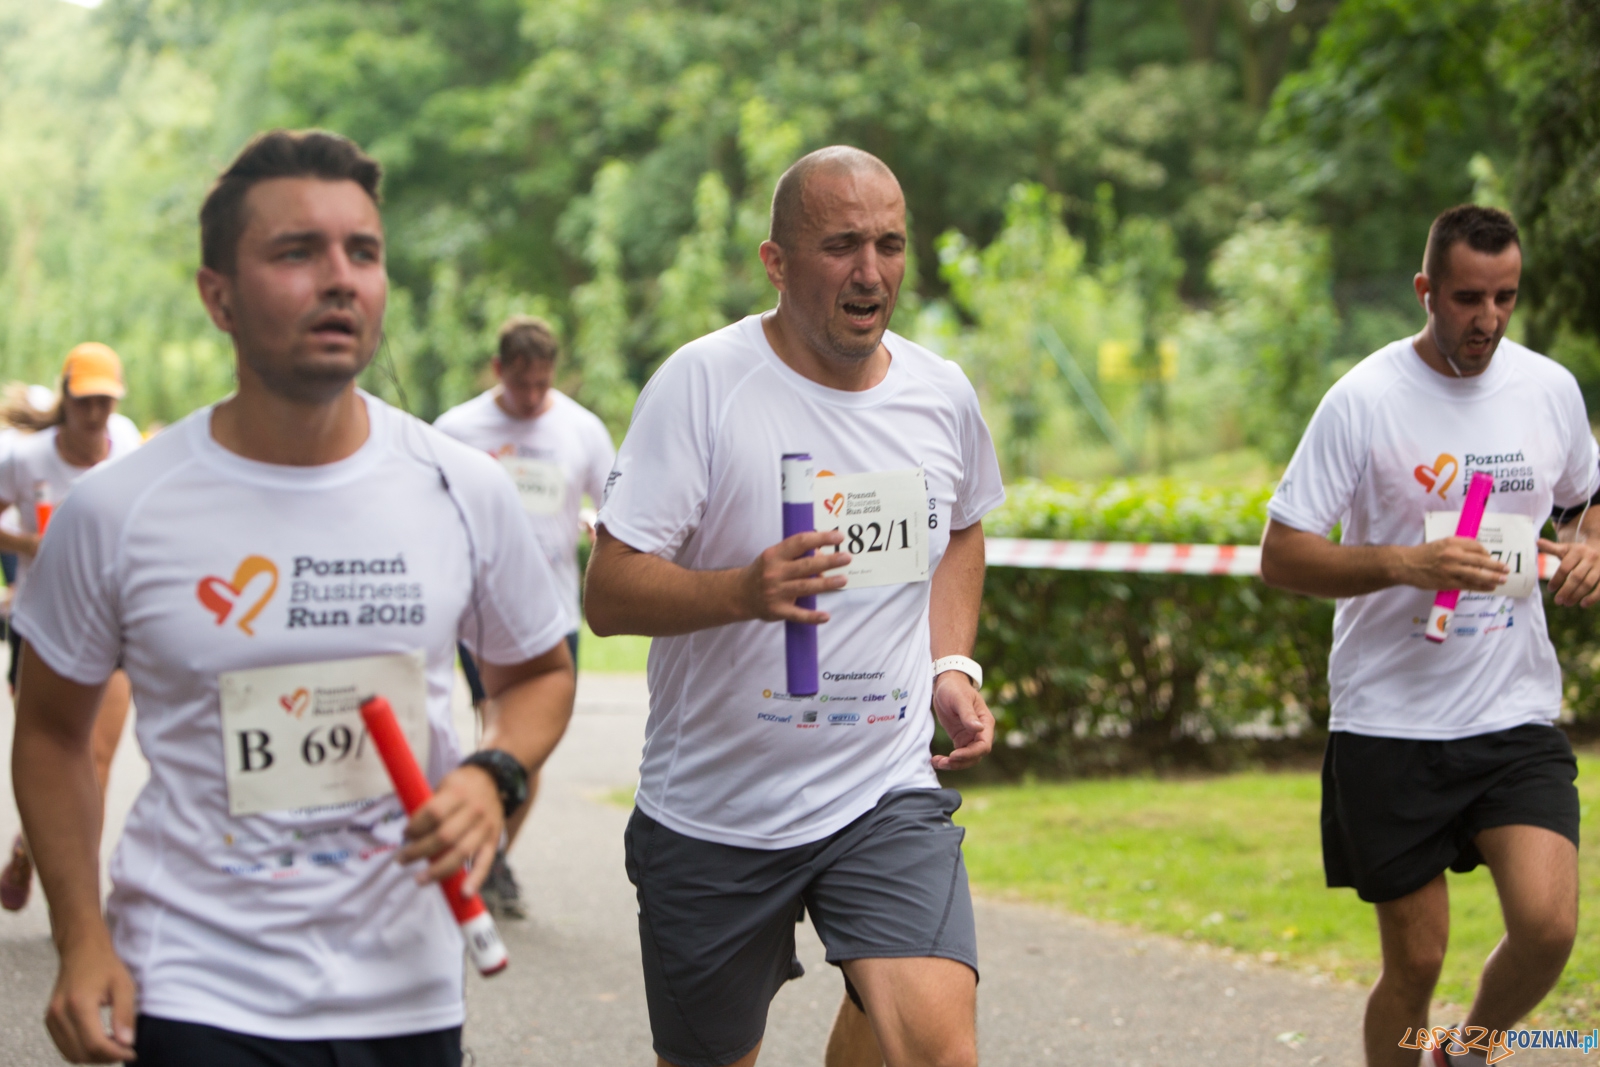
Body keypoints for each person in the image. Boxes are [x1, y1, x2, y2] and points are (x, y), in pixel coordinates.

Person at [10, 128, 576, 1066]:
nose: (341, 277)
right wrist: (79, 936)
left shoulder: (460, 486)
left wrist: (495, 774)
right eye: (296, 252)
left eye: (363, 251)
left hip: (408, 987)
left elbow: (539, 674)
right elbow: (52, 732)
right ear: (217, 295)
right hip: (194, 979)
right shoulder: (117, 509)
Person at [586, 145, 1004, 1067]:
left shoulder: (939, 394)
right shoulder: (703, 386)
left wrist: (950, 663)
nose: (871, 272)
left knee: (938, 1051)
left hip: (880, 786)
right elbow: (608, 591)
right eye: (841, 244)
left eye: (890, 244)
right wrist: (743, 589)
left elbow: (965, 524)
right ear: (776, 264)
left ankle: (876, 979)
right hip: (717, 813)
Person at [1260, 204, 1596, 1067]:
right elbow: (1284, 554)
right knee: (1414, 960)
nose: (1486, 319)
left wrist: (1592, 542)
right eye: (1466, 298)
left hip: (1512, 709)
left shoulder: (1548, 389)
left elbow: (1587, 496)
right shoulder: (1365, 400)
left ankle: (1469, 1048)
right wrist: (1407, 563)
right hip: (1392, 722)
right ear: (1425, 291)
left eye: (1505, 298)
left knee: (1550, 926)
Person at [434, 314, 615, 918]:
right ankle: (487, 853)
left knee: (527, 745)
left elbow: (613, 501)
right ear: (498, 371)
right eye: (521, 386)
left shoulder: (580, 429)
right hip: (476, 608)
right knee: (497, 729)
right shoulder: (457, 430)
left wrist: (596, 525)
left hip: (553, 608)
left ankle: (495, 853)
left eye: (543, 384)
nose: (533, 397)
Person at [0, 346, 143, 912]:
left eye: (106, 400)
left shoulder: (128, 447)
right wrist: (29, 545)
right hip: (41, 623)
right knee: (56, 753)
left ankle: (73, 889)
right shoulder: (26, 457)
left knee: (98, 758)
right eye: (85, 401)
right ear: (67, 397)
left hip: (112, 621)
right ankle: (34, 847)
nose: (96, 414)